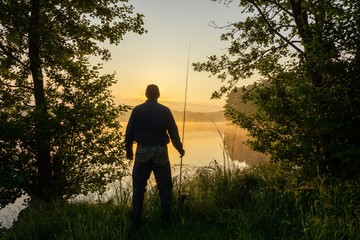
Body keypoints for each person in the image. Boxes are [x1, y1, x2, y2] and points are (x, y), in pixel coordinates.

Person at [125, 84, 185, 229]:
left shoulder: (137, 110)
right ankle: (166, 222)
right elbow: (173, 133)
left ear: (146, 94)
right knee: (165, 188)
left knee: (138, 188)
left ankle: (136, 223)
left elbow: (129, 133)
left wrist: (129, 152)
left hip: (142, 152)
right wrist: (180, 149)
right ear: (158, 95)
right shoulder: (165, 111)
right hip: (160, 152)